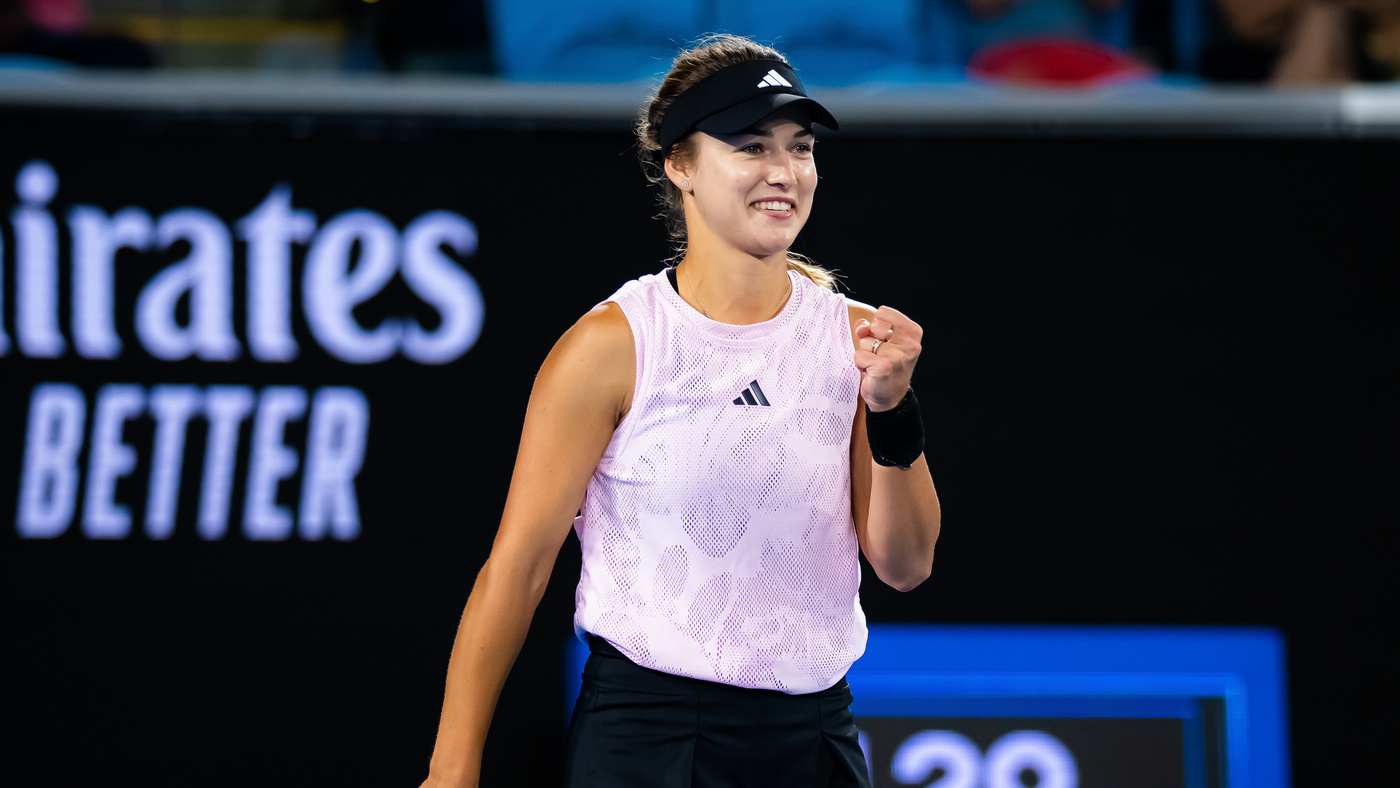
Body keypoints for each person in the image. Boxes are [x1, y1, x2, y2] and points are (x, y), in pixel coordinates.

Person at [420, 34, 941, 788]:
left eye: (799, 148)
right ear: (680, 166)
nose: (784, 171)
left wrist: (892, 410)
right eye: (751, 146)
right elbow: (519, 566)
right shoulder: (612, 346)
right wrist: (452, 768)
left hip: (815, 741)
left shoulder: (856, 341)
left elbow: (906, 565)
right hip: (649, 743)